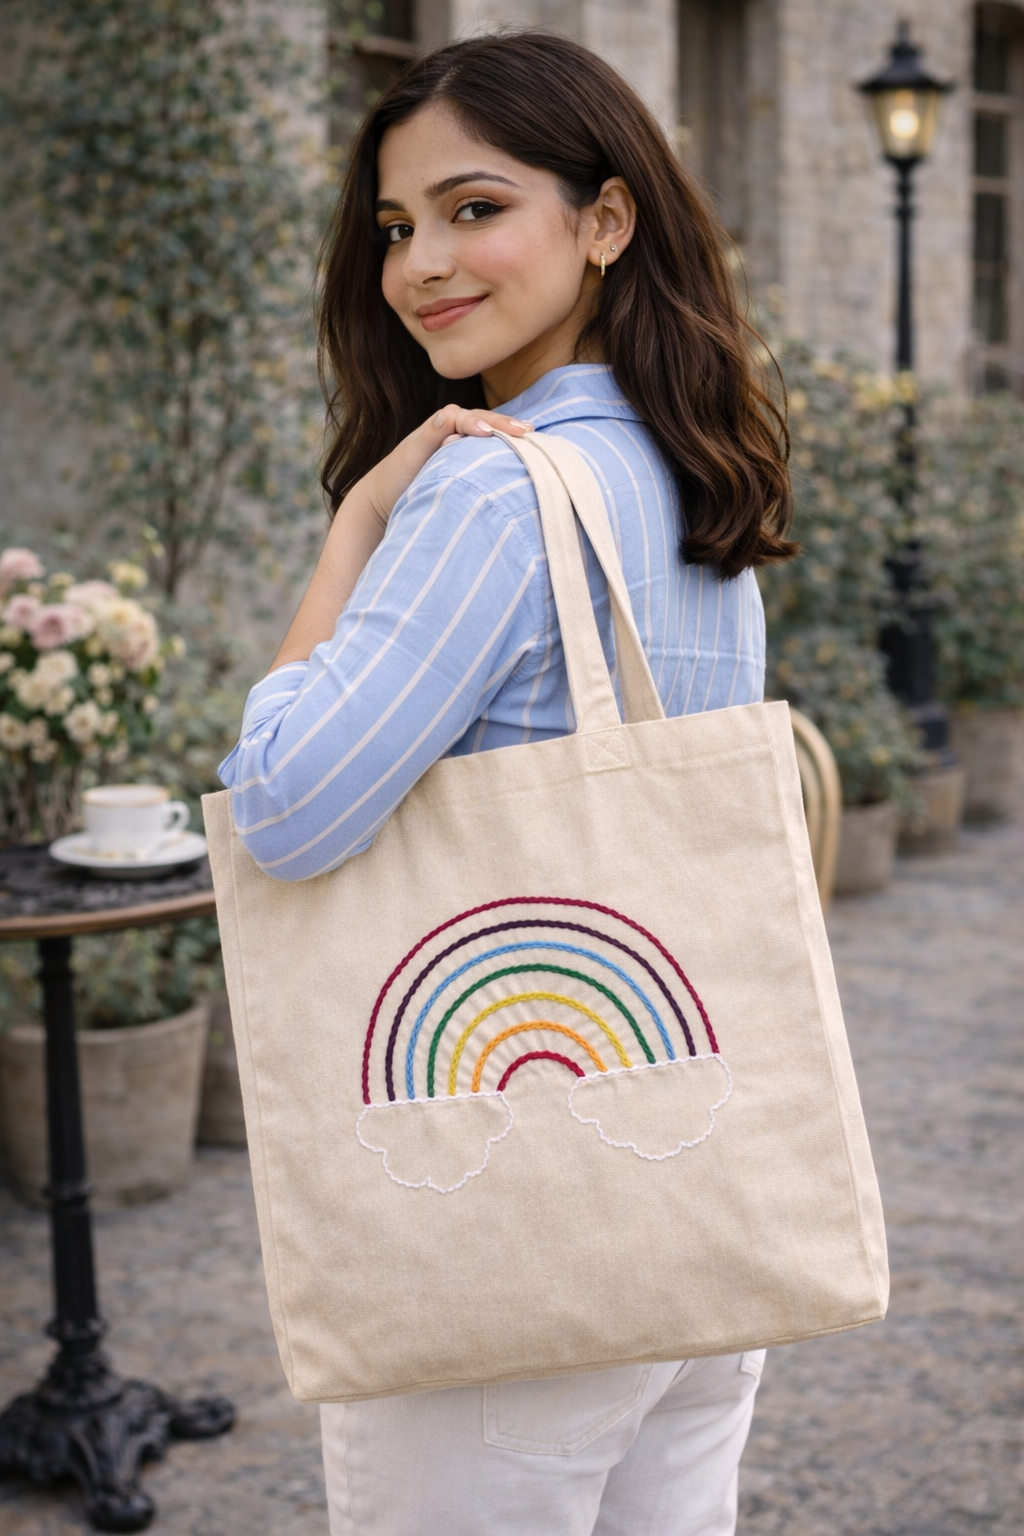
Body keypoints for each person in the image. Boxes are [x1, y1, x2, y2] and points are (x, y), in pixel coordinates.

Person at [219, 29, 794, 1536]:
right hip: (690, 1200)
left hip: (500, 1221)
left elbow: (282, 807)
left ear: (605, 221)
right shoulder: (688, 470)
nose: (421, 264)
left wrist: (352, 530)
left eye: (478, 209)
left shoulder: (485, 483)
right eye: (398, 226)